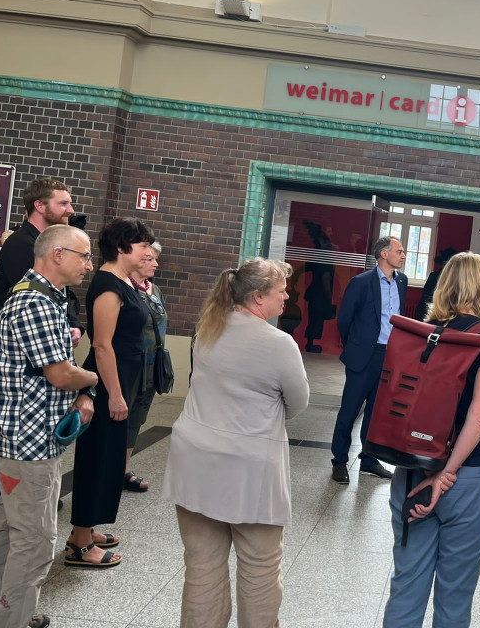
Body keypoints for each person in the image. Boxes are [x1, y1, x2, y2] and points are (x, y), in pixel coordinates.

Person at [162, 258, 309, 628]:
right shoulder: (280, 344)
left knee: (201, 567)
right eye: (281, 291)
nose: (287, 296)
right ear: (258, 298)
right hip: (250, 474)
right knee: (260, 571)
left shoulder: (207, 327)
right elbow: (297, 403)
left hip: (194, 462)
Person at [383, 252, 480, 628]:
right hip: (467, 478)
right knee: (454, 595)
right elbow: (479, 415)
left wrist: (430, 474)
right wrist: (446, 475)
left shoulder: (420, 334)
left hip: (411, 470)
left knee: (406, 585)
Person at [0, 224, 98, 628]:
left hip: (20, 438)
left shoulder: (43, 298)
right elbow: (59, 374)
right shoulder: (36, 302)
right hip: (29, 443)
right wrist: (92, 379)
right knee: (35, 543)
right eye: (84, 255)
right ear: (57, 254)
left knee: (9, 533)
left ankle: (5, 614)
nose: (89, 265)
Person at [67, 218, 155, 567]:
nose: (149, 252)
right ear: (121, 248)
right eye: (142, 245)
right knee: (97, 461)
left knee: (110, 461)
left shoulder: (126, 282)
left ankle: (83, 532)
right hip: (108, 384)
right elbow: (102, 346)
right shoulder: (107, 285)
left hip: (123, 380)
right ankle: (79, 544)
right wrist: (115, 396)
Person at [330, 236, 407, 483]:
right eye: (400, 251)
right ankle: (339, 461)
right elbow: (344, 320)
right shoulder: (361, 283)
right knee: (349, 411)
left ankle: (369, 461)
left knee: (376, 414)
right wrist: (356, 346)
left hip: (390, 356)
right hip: (364, 356)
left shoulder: (402, 282)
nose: (403, 255)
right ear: (384, 254)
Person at [0, 178, 84, 344]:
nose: (71, 210)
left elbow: (61, 289)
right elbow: (38, 297)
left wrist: (74, 324)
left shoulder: (50, 244)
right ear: (39, 206)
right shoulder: (21, 244)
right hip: (21, 344)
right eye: (63, 203)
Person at [123, 241, 167, 493]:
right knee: (123, 415)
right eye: (149, 259)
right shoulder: (125, 288)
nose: (155, 264)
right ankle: (111, 468)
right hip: (132, 365)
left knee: (138, 418)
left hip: (153, 365)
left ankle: (124, 469)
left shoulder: (155, 290)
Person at [302, 220, 336, 353]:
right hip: (320, 296)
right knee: (317, 320)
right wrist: (329, 298)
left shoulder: (316, 261)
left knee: (312, 319)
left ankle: (310, 343)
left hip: (313, 294)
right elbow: (326, 280)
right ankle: (311, 344)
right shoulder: (325, 263)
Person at [414, 247, 456, 321]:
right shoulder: (436, 276)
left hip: (434, 312)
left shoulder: (434, 275)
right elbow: (425, 297)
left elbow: (424, 296)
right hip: (433, 312)